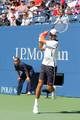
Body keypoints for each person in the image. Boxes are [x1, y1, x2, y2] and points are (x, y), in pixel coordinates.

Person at [33, 28, 59, 114]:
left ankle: (53, 89)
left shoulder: (55, 43)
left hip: (51, 67)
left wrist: (42, 36)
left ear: (55, 36)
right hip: (44, 64)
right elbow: (40, 47)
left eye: (54, 35)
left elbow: (42, 39)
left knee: (49, 88)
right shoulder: (48, 42)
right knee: (39, 83)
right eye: (51, 35)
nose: (52, 36)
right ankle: (36, 105)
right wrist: (41, 39)